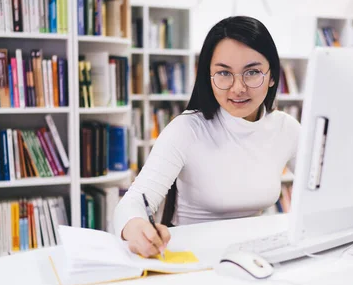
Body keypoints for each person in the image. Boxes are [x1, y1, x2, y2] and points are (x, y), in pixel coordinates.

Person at [113, 16, 300, 257]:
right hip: (194, 260)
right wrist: (136, 227)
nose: (238, 88)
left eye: (252, 72)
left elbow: (327, 190)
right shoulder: (186, 129)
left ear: (273, 76)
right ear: (208, 78)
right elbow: (132, 202)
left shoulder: (287, 129)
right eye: (224, 73)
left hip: (255, 258)